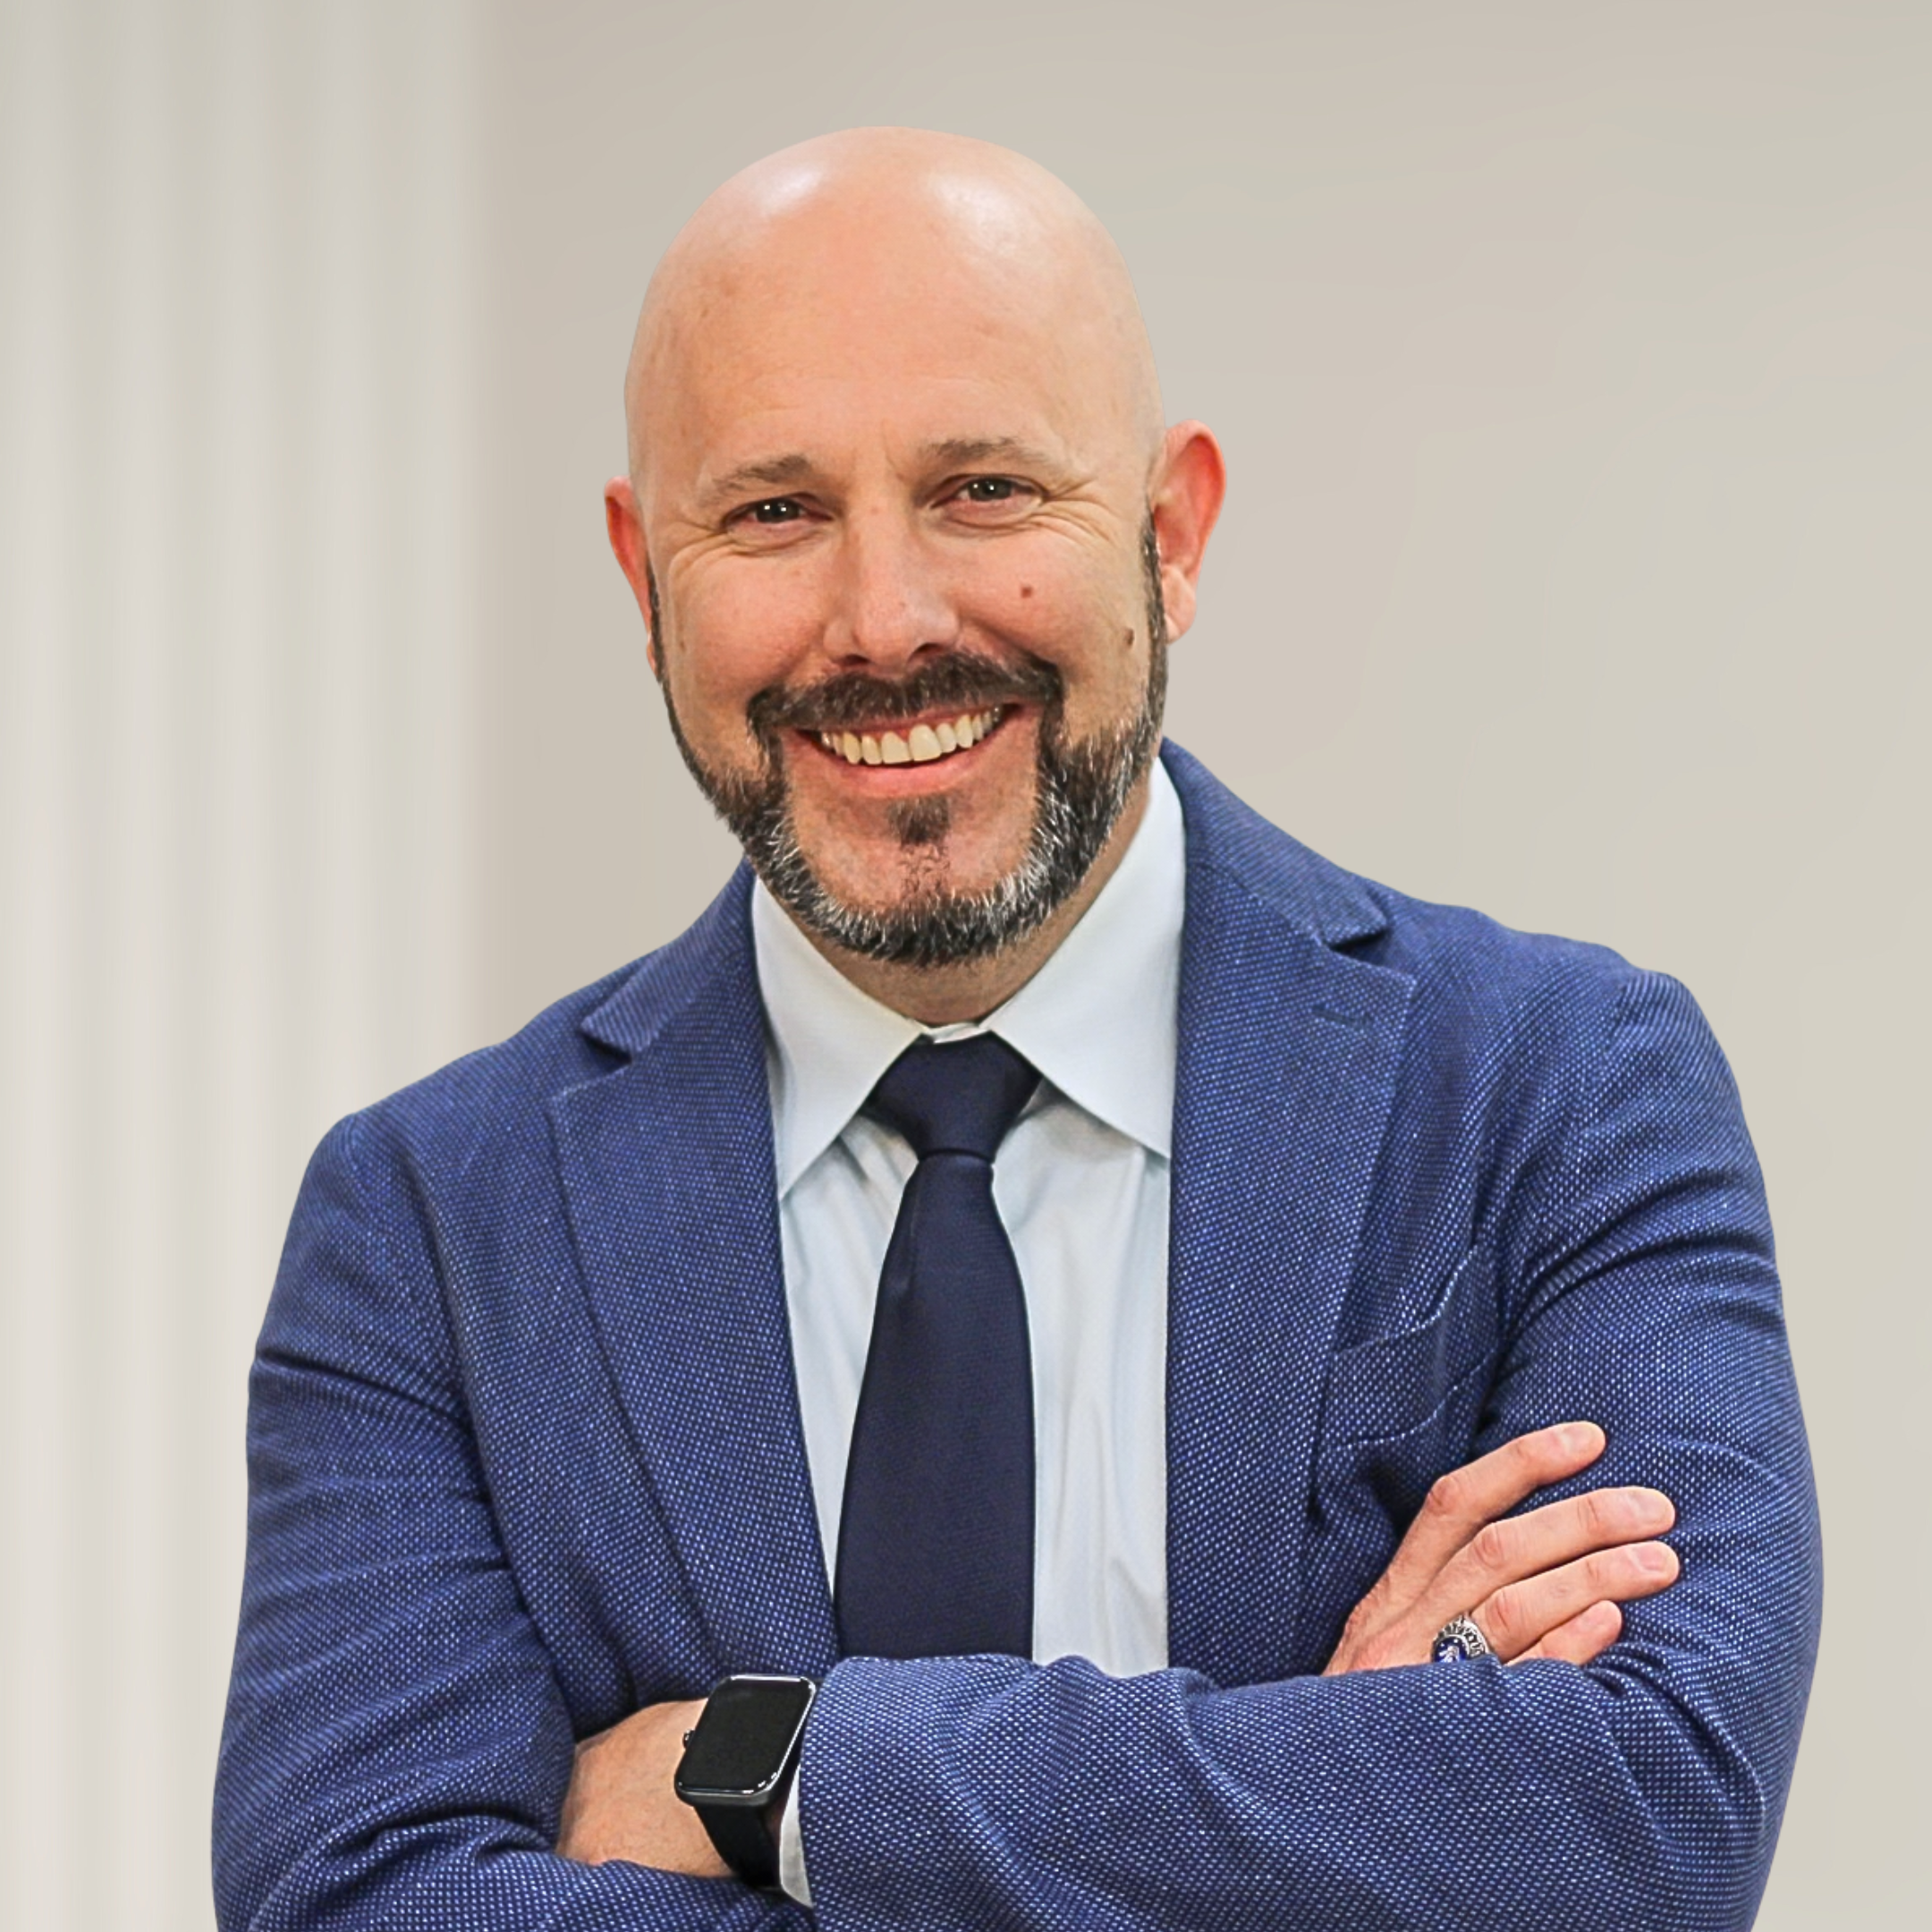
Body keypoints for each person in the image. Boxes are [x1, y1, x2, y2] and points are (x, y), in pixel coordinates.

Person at [212, 129, 1820, 1930]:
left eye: (983, 489)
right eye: (772, 512)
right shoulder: (429, 1224)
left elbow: (1644, 1826)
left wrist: (771, 1775)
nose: (885, 621)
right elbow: (359, 1904)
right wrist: (1322, 1792)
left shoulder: (1560, 1091)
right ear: (638, 579)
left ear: (1173, 534)